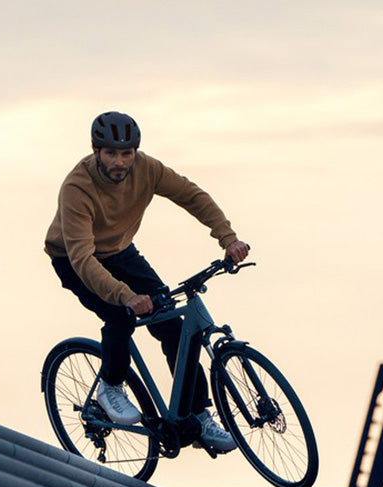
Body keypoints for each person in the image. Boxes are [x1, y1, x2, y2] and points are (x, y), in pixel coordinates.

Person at [44, 111, 250, 452]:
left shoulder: (147, 169)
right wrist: (125, 296)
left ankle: (197, 416)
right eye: (111, 153)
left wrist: (227, 238)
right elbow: (82, 257)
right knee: (119, 315)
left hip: (121, 251)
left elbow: (192, 195)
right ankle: (110, 386)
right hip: (74, 259)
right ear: (96, 151)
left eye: (127, 153)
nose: (120, 161)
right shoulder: (77, 187)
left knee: (172, 323)